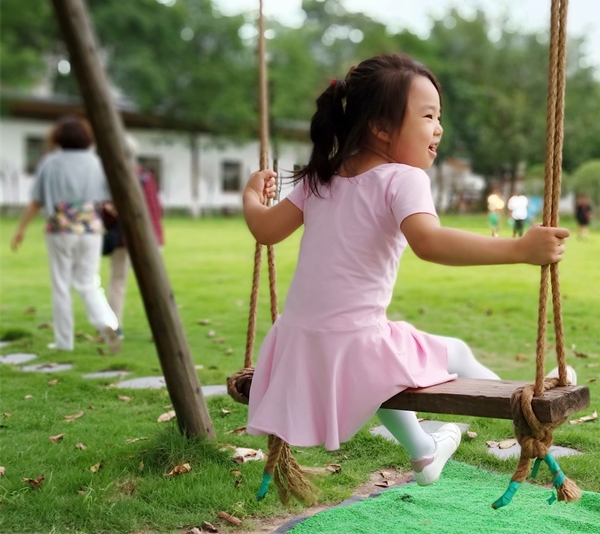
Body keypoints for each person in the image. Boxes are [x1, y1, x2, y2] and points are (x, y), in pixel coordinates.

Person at [241, 54, 572, 489]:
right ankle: (525, 405)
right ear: (381, 126)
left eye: (439, 117)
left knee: (383, 365)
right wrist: (520, 248)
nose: (439, 128)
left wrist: (250, 194)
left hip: (298, 345)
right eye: (428, 116)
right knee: (448, 352)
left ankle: (422, 451)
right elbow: (429, 242)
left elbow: (265, 229)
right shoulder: (403, 178)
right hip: (355, 344)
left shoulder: (322, 178)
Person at [9, 116, 121, 353]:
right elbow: (111, 199)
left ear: (58, 137)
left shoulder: (51, 163)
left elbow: (36, 201)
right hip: (91, 228)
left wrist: (20, 230)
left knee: (61, 285)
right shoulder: (96, 163)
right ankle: (108, 324)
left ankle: (63, 342)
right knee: (89, 282)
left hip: (60, 229)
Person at [103, 136, 164, 338]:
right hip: (151, 238)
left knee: (117, 282)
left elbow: (108, 211)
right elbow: (157, 208)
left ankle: (115, 328)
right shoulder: (146, 177)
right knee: (155, 284)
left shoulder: (115, 178)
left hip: (125, 239)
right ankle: (163, 331)